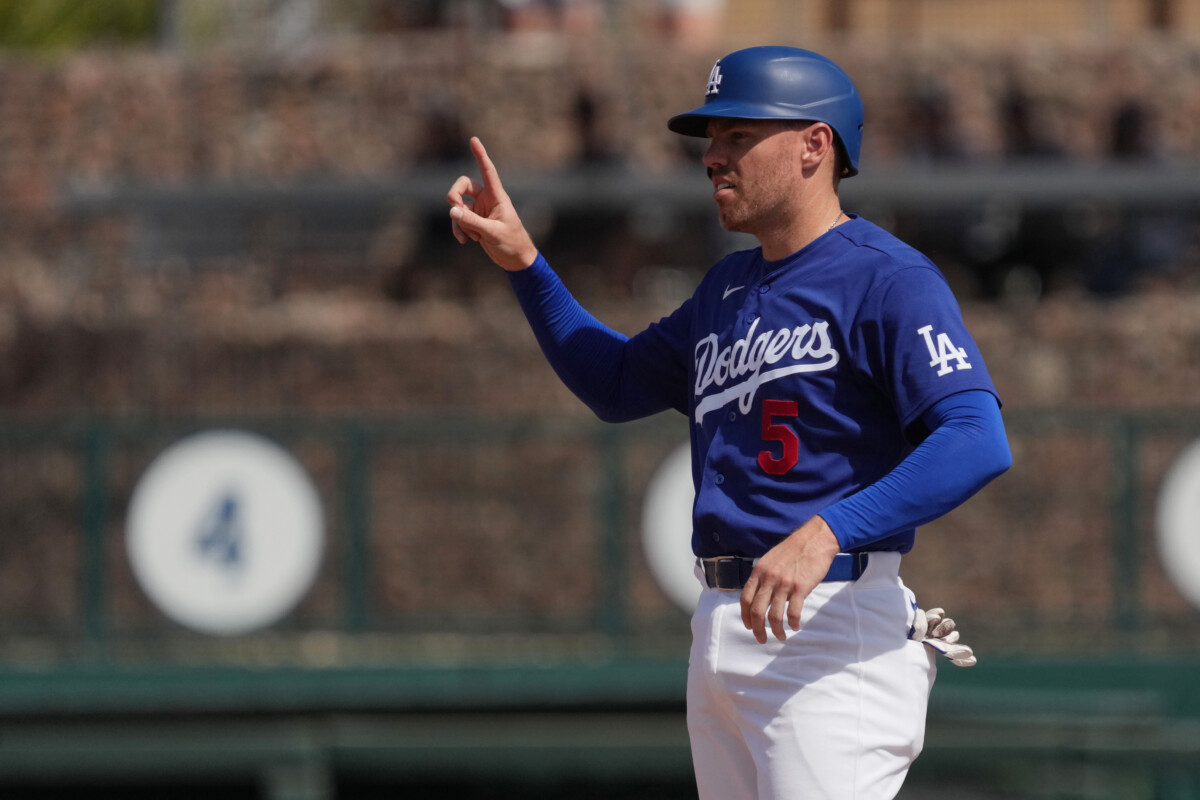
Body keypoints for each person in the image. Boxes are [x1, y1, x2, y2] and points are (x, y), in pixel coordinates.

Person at [447, 45, 1011, 800]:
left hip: (830, 634)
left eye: (739, 135)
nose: (713, 155)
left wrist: (830, 530)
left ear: (817, 144)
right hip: (721, 625)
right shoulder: (728, 285)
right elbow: (614, 384)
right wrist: (524, 264)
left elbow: (977, 436)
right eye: (712, 138)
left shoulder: (889, 278)